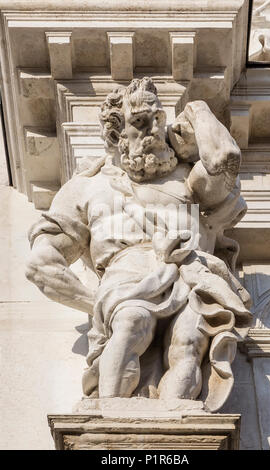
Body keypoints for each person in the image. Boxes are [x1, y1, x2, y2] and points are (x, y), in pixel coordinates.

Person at [26, 77, 252, 411]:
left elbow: (225, 159)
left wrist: (197, 110)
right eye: (142, 122)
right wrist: (99, 306)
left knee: (189, 341)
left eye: (159, 119)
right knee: (131, 324)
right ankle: (111, 418)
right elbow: (41, 264)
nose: (156, 130)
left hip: (190, 273)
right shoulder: (86, 188)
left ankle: (183, 422)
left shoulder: (187, 179)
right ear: (117, 136)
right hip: (125, 277)